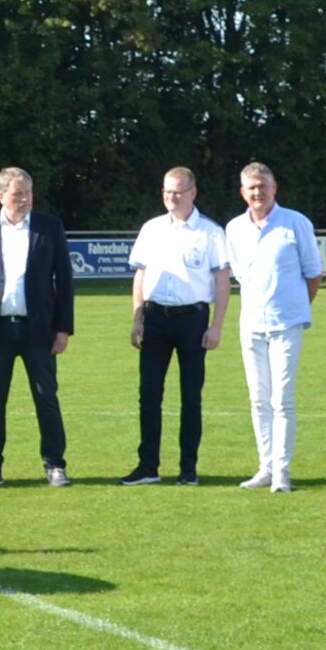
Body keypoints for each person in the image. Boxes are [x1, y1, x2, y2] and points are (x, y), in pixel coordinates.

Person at [0, 167, 76, 487]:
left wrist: (63, 328)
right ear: (1, 196)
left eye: (28, 192)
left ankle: (55, 465)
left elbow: (65, 281)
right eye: (17, 193)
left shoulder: (49, 227)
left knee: (46, 398)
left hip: (38, 330)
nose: (25, 198)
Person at [121, 167, 230, 487]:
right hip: (155, 319)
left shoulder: (210, 233)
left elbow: (222, 283)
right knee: (149, 395)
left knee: (190, 397)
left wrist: (216, 326)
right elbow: (140, 276)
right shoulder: (151, 229)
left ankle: (188, 469)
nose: (172, 197)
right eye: (167, 191)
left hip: (193, 321)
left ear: (193, 193)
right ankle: (148, 466)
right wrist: (137, 319)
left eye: (178, 191)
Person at [225, 162, 321, 492]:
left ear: (274, 187)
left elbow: (313, 274)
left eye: (263, 186)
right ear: (242, 192)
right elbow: (240, 276)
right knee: (258, 399)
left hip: (287, 324)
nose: (257, 192)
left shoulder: (295, 223)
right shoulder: (234, 229)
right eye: (251, 188)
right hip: (250, 324)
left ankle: (281, 471)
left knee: (283, 399)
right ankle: (264, 467)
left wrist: (294, 307)